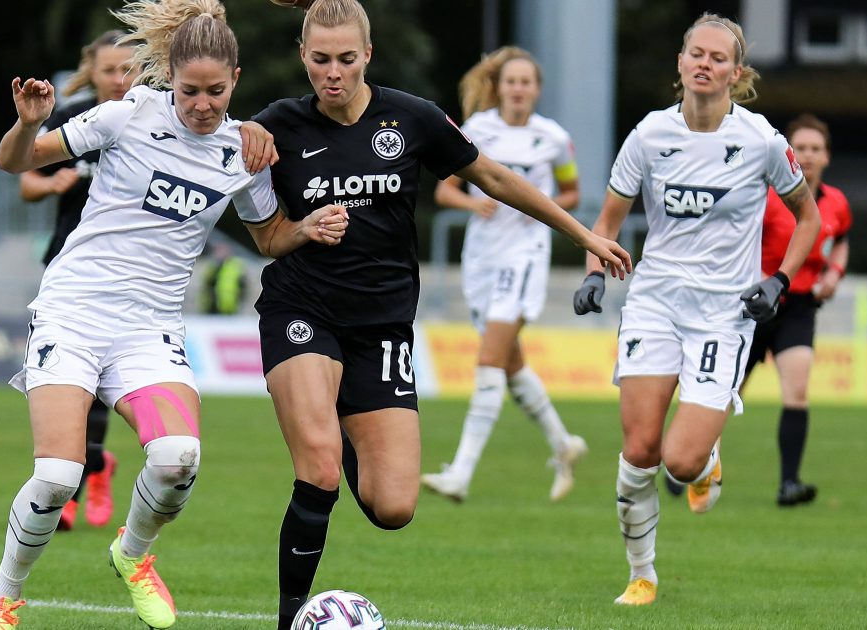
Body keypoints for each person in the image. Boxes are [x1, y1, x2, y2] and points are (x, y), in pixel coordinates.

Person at [244, 2, 631, 626]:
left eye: (346, 59)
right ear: (303, 56)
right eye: (320, 60)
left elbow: (495, 178)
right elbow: (252, 213)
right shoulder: (275, 128)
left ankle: (340, 420)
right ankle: (290, 617)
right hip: (302, 307)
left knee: (392, 506)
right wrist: (263, 169)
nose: (333, 73)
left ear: (368, 54)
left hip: (383, 326)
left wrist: (582, 235)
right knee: (316, 468)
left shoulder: (412, 117)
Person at [0, 1, 348, 628]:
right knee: (59, 475)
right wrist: (26, 124)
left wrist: (305, 227)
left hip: (148, 329)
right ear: (168, 79)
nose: (201, 105)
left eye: (215, 91)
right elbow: (16, 162)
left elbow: (268, 236)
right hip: (72, 312)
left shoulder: (243, 151)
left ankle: (133, 556)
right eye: (188, 91)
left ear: (236, 80)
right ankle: (6, 596)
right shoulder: (128, 114)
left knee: (178, 456)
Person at [572, 13, 821, 606]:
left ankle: (704, 459)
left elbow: (807, 218)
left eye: (718, 57)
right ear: (681, 63)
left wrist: (780, 280)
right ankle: (642, 575)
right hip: (654, 302)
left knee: (679, 463)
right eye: (696, 54)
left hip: (722, 316)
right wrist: (593, 274)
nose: (705, 64)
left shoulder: (761, 140)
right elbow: (607, 220)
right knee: (639, 450)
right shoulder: (649, 135)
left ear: (736, 73)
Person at [420, 47, 588, 504]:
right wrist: (475, 203)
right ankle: (563, 444)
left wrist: (543, 211)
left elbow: (571, 192)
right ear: (500, 87)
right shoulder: (478, 130)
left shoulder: (554, 138)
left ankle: (461, 472)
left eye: (526, 82)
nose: (518, 89)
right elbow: (445, 191)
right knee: (510, 365)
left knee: (490, 362)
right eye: (511, 81)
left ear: (537, 89)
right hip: (482, 257)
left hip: (526, 254)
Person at [18, 30, 138, 532]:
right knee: (67, 384)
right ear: (93, 70)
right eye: (109, 69)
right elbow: (25, 180)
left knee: (105, 384)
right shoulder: (75, 118)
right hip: (68, 266)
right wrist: (52, 183)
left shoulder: (158, 119)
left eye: (128, 69)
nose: (119, 79)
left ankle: (93, 466)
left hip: (130, 275)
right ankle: (71, 481)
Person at [743, 114, 851, 507]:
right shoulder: (766, 197)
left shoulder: (836, 202)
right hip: (754, 306)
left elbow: (840, 241)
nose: (807, 155)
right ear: (787, 153)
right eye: (800, 148)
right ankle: (692, 466)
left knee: (798, 390)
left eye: (815, 149)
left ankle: (789, 483)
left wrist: (835, 273)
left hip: (800, 307)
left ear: (827, 156)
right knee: (725, 393)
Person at [200, 241, 246, 314]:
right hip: (212, 307)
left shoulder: (235, 266)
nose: (220, 253)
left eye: (222, 250)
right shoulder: (213, 266)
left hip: (230, 307)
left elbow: (243, 286)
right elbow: (207, 286)